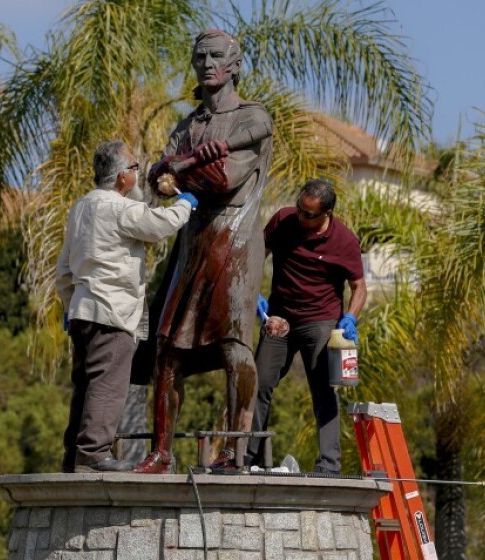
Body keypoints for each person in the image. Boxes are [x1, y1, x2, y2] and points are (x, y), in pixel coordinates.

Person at [133, 29, 273, 474]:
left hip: (234, 245)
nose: (208, 63)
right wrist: (176, 169)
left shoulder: (252, 118)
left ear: (234, 65)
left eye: (217, 56)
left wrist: (180, 168)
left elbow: (223, 180)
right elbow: (157, 185)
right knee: (168, 352)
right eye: (200, 57)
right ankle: (161, 452)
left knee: (235, 350)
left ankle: (234, 450)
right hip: (192, 245)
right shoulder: (187, 125)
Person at [56, 140, 198, 473]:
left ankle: (72, 457)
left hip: (82, 311)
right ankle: (93, 453)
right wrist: (185, 205)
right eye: (134, 168)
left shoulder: (81, 208)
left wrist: (67, 306)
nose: (137, 173)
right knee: (107, 384)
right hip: (112, 312)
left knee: (85, 385)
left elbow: (64, 267)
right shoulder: (119, 208)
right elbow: (158, 225)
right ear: (122, 177)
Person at [247, 179, 367, 474]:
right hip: (279, 319)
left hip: (321, 321)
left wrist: (350, 317)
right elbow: (255, 256)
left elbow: (359, 286)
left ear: (327, 213)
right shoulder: (283, 221)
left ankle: (329, 463)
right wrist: (253, 292)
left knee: (325, 390)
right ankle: (251, 457)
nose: (300, 216)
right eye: (299, 208)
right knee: (258, 383)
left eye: (308, 214)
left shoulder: (344, 241)